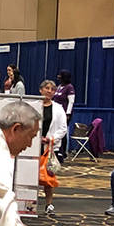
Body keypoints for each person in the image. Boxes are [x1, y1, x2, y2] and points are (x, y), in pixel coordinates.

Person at [37, 80, 68, 214]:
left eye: (52, 89)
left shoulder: (58, 108)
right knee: (29, 175)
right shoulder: (34, 105)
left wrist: (50, 139)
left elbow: (63, 128)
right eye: (47, 88)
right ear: (41, 90)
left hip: (50, 147)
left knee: (48, 177)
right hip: (32, 145)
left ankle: (49, 205)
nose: (49, 91)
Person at [52, 69, 75, 160]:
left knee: (63, 132)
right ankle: (57, 150)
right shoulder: (59, 86)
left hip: (64, 113)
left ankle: (64, 152)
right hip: (56, 112)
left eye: (60, 75)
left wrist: (68, 114)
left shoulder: (70, 87)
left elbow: (71, 102)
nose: (58, 77)